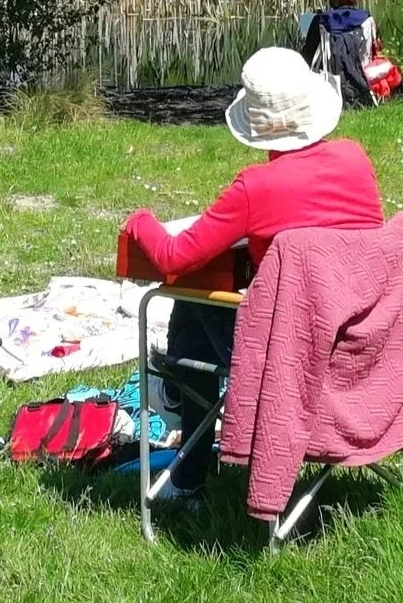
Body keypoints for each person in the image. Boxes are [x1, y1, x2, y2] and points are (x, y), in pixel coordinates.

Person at [117, 46, 386, 496]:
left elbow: (172, 258)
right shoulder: (355, 159)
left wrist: (140, 220)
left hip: (292, 361)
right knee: (202, 309)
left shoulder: (255, 188)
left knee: (188, 296)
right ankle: (181, 408)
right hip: (364, 346)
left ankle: (181, 415)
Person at [299, 0, 393, 106]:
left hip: (330, 74)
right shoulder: (366, 18)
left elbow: (307, 56)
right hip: (362, 71)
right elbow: (376, 49)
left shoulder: (321, 20)